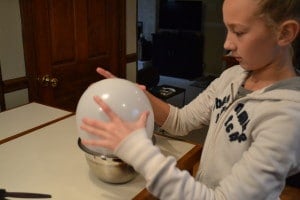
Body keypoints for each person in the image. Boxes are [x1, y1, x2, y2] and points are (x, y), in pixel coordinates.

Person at [80, 0, 300, 199]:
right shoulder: (232, 77)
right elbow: (181, 121)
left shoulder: (287, 118)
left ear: (285, 33)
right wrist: (134, 93)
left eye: (239, 32)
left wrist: (136, 150)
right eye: (227, 29)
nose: (227, 44)